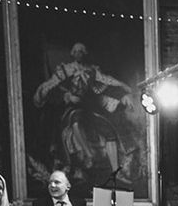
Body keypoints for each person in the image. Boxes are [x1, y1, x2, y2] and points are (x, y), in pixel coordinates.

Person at [33, 42, 139, 188]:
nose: (79, 54)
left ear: (84, 53)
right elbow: (50, 86)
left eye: (81, 51)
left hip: (88, 108)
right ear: (72, 53)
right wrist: (64, 96)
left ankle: (115, 171)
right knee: (76, 123)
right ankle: (87, 157)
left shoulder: (92, 71)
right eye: (76, 51)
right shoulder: (65, 69)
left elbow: (108, 81)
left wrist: (125, 91)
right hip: (71, 110)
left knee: (109, 131)